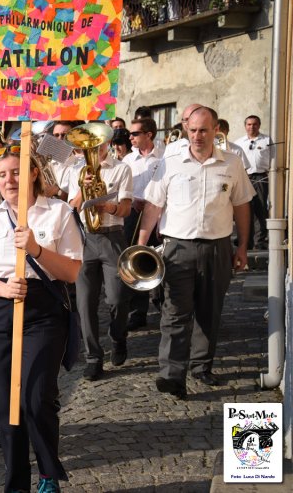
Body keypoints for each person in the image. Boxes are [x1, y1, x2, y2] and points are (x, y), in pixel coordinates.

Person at [0, 145, 83, 492]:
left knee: (35, 396)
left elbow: (72, 272)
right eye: (2, 174)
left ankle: (48, 474)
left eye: (16, 172)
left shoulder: (58, 212)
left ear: (32, 173)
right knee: (6, 403)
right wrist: (4, 291)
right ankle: (15, 482)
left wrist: (36, 249)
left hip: (44, 311)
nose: (8, 180)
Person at [137, 106, 254, 399]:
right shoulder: (170, 162)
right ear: (186, 129)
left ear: (216, 130)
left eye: (204, 130)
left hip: (218, 247)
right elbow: (154, 205)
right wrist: (140, 242)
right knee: (175, 311)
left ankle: (202, 366)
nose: (197, 136)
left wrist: (242, 246)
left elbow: (241, 205)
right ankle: (172, 374)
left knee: (209, 310)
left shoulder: (232, 163)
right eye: (193, 130)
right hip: (178, 248)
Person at [68, 138, 133, 381]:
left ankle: (118, 337)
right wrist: (80, 190)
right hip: (83, 238)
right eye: (88, 145)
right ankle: (93, 358)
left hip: (112, 237)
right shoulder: (77, 169)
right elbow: (71, 209)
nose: (93, 149)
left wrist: (109, 207)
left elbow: (126, 208)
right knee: (85, 304)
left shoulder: (121, 168)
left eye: (97, 144)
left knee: (117, 297)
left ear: (106, 143)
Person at [122, 118, 164, 331]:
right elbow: (122, 186)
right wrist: (132, 199)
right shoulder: (128, 159)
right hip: (133, 214)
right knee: (135, 260)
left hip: (158, 216)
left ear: (149, 134)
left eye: (135, 133)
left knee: (161, 259)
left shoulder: (164, 157)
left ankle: (164, 306)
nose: (131, 137)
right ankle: (137, 312)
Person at [234, 115, 271, 250]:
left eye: (254, 124)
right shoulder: (239, 143)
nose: (252, 127)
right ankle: (246, 242)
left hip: (261, 178)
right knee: (245, 210)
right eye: (249, 124)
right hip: (244, 178)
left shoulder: (267, 140)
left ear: (259, 125)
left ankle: (259, 242)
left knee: (260, 210)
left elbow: (274, 160)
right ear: (245, 126)